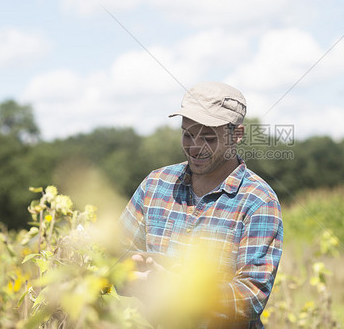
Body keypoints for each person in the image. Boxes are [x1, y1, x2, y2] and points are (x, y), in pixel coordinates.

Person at [119, 82, 284, 328]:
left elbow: (251, 296)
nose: (195, 147)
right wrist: (128, 274)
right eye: (188, 134)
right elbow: (115, 253)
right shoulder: (155, 185)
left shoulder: (258, 201)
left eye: (208, 138)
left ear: (237, 135)